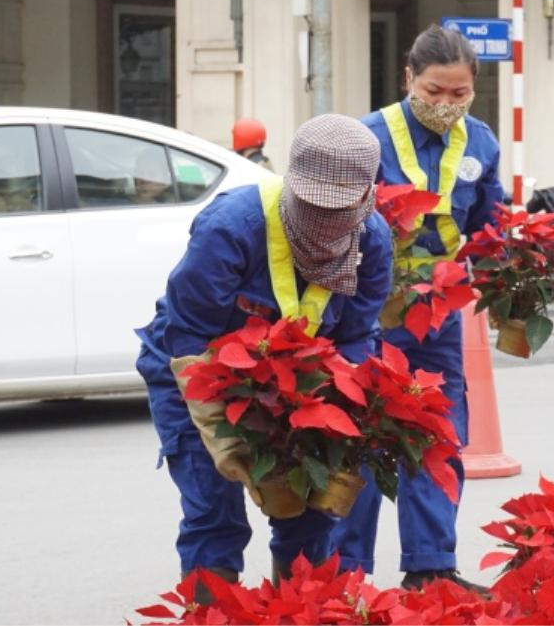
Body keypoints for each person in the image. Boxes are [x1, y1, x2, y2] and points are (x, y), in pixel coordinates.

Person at [134, 114, 392, 591]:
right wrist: (221, 433)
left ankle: (298, 612)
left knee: (308, 518)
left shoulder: (372, 242)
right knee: (215, 513)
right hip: (195, 373)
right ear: (294, 184)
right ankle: (211, 616)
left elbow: (355, 339)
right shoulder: (232, 227)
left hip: (300, 391)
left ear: (366, 195)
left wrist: (341, 419)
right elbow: (189, 334)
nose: (324, 219)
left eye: (339, 208)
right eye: (314, 204)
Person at [332, 24, 505, 594]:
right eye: (434, 92)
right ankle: (344, 576)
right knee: (358, 440)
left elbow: (488, 227)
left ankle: (430, 568)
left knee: (437, 439)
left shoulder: (480, 142)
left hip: (436, 321)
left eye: (458, 95)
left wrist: (517, 270)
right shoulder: (365, 138)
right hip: (364, 317)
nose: (445, 106)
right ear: (409, 78)